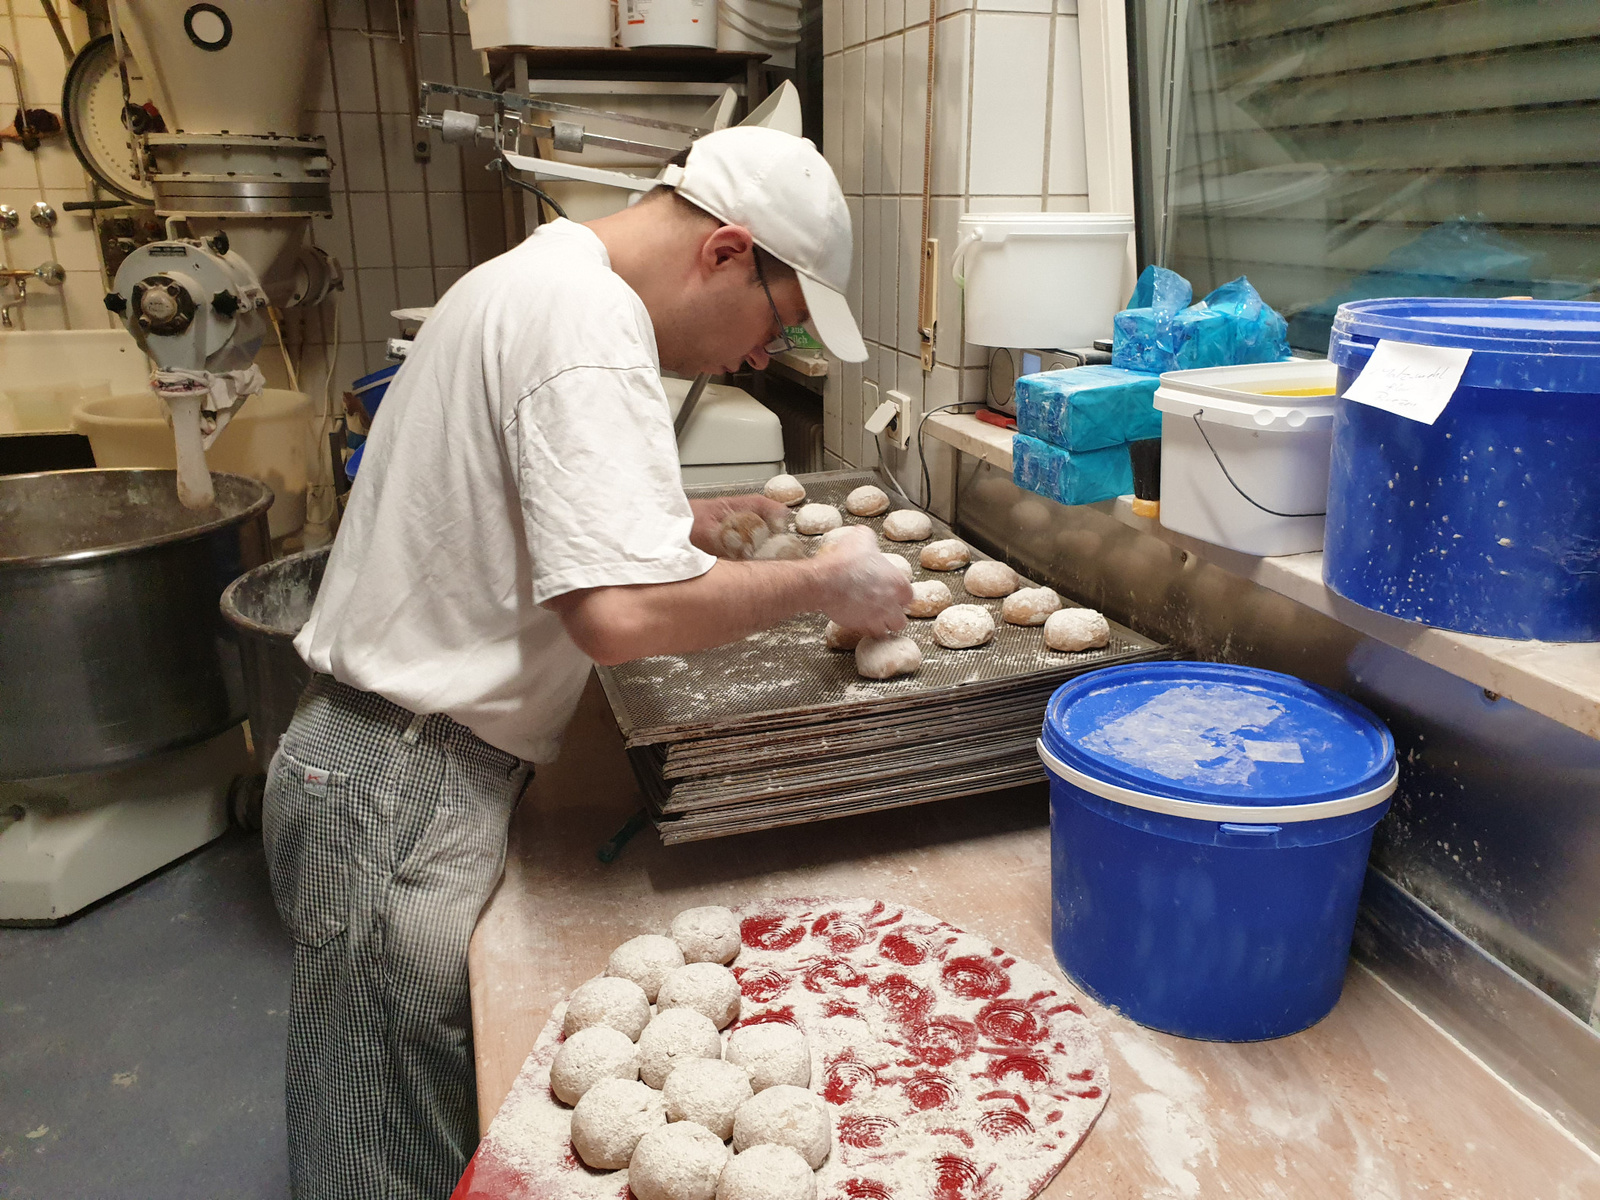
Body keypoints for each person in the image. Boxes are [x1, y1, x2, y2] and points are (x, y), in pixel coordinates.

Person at [262, 126, 910, 1200]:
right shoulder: (587, 326)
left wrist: (683, 519)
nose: (761, 358)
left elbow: (514, 500)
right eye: (775, 324)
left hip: (386, 761)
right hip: (399, 780)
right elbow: (614, 616)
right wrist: (824, 584)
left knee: (395, 1100)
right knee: (381, 1151)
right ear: (725, 251)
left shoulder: (543, 276)